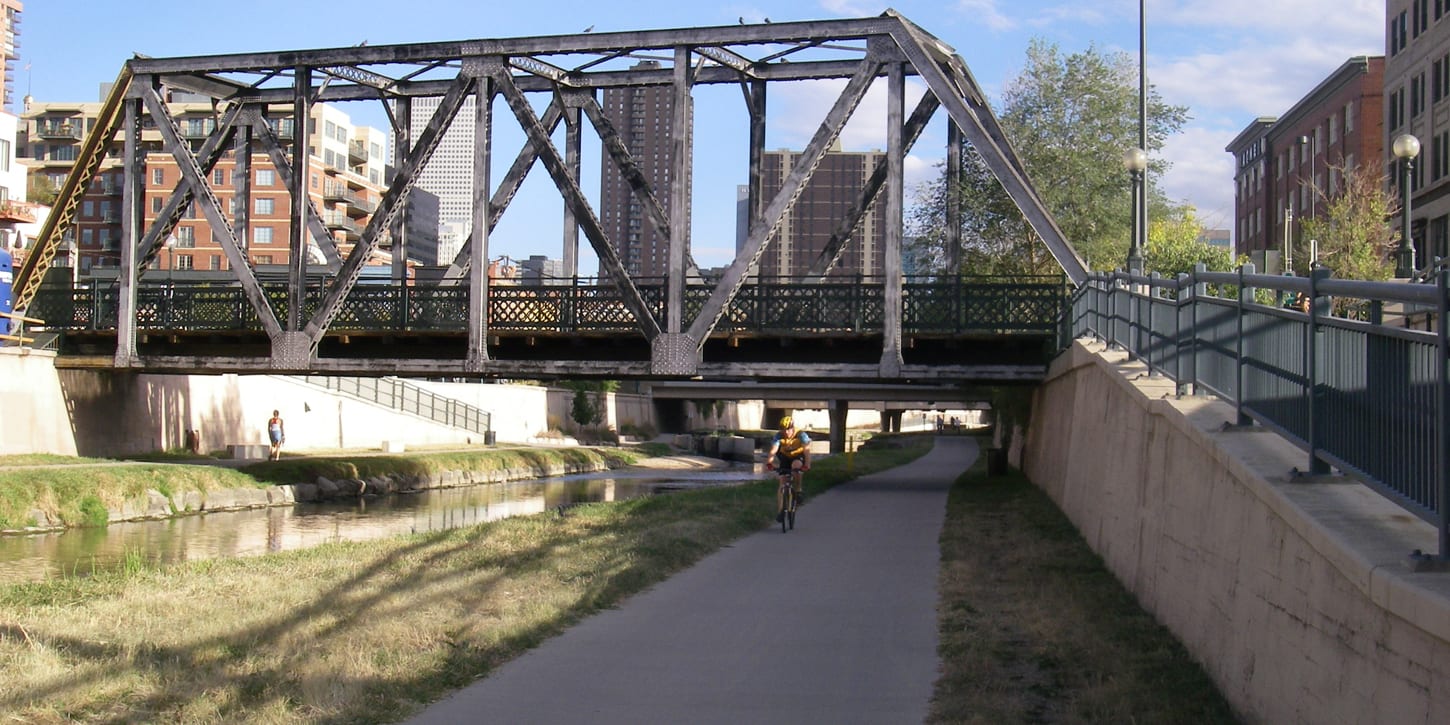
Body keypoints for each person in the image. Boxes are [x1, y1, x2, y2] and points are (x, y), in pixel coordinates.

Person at [765, 416, 811, 522]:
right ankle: (781, 511)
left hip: (798, 455)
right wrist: (769, 463)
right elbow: (773, 451)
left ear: (792, 428)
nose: (786, 432)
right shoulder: (779, 436)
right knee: (782, 482)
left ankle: (798, 489)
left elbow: (807, 452)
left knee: (796, 466)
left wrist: (807, 465)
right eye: (783, 430)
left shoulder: (801, 435)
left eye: (788, 429)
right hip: (785, 457)